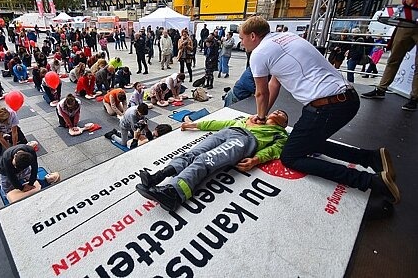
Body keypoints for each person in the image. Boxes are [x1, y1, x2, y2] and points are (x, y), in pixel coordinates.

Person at [239, 16, 399, 205]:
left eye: (242, 38)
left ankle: (373, 182)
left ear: (253, 36)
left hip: (327, 106)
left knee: (290, 157)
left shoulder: (259, 53)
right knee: (305, 143)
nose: (241, 43)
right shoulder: (287, 37)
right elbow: (275, 84)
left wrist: (260, 116)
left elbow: (261, 92)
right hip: (347, 98)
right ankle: (372, 158)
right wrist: (263, 115)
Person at [136, 110, 289, 211]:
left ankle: (174, 193)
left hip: (245, 140)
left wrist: (256, 159)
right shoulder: (252, 119)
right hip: (226, 132)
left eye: (282, 114)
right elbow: (223, 124)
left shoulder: (280, 134)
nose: (277, 111)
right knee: (192, 153)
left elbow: (274, 150)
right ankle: (158, 176)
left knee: (205, 160)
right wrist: (195, 125)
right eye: (276, 110)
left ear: (284, 125)